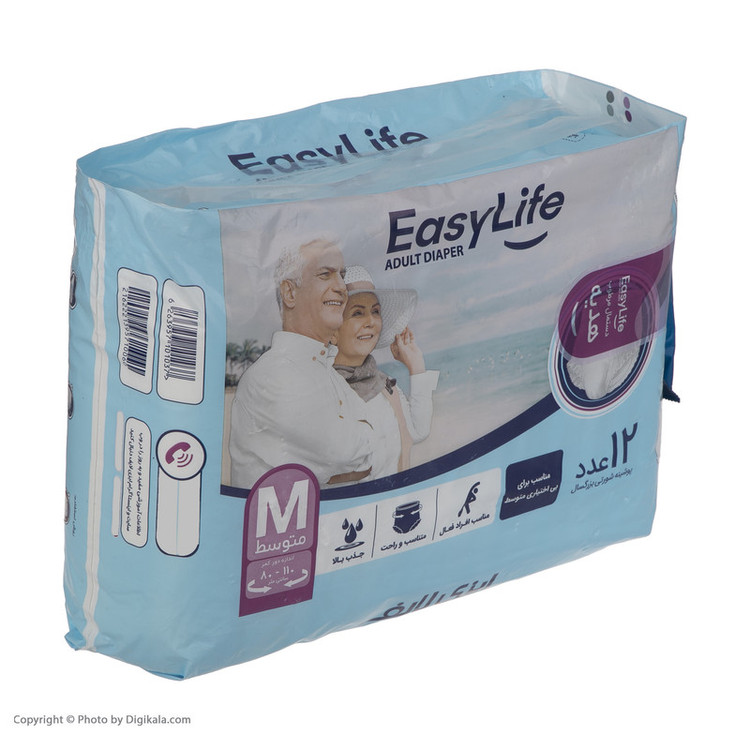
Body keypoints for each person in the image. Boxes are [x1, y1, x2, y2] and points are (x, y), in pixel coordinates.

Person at [229, 238, 374, 489]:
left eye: (341, 275)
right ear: (290, 293)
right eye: (325, 274)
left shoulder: (327, 372)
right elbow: (344, 452)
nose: (342, 287)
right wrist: (359, 442)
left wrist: (351, 457)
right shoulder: (273, 375)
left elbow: (371, 450)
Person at [332, 266, 438, 480]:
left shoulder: (385, 385)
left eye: (375, 311)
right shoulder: (323, 390)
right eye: (357, 313)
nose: (371, 322)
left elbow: (417, 432)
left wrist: (416, 367)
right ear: (333, 329)